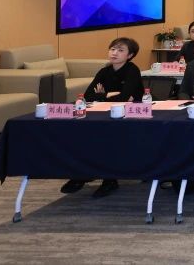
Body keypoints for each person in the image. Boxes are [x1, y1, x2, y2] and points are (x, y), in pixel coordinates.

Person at [61, 37, 144, 198]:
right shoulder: (104, 71)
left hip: (128, 116)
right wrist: (108, 95)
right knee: (83, 134)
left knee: (108, 137)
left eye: (120, 50)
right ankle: (83, 173)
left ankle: (109, 179)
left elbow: (124, 98)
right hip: (103, 113)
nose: (114, 53)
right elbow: (87, 96)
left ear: (130, 55)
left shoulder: (132, 70)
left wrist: (102, 96)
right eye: (112, 49)